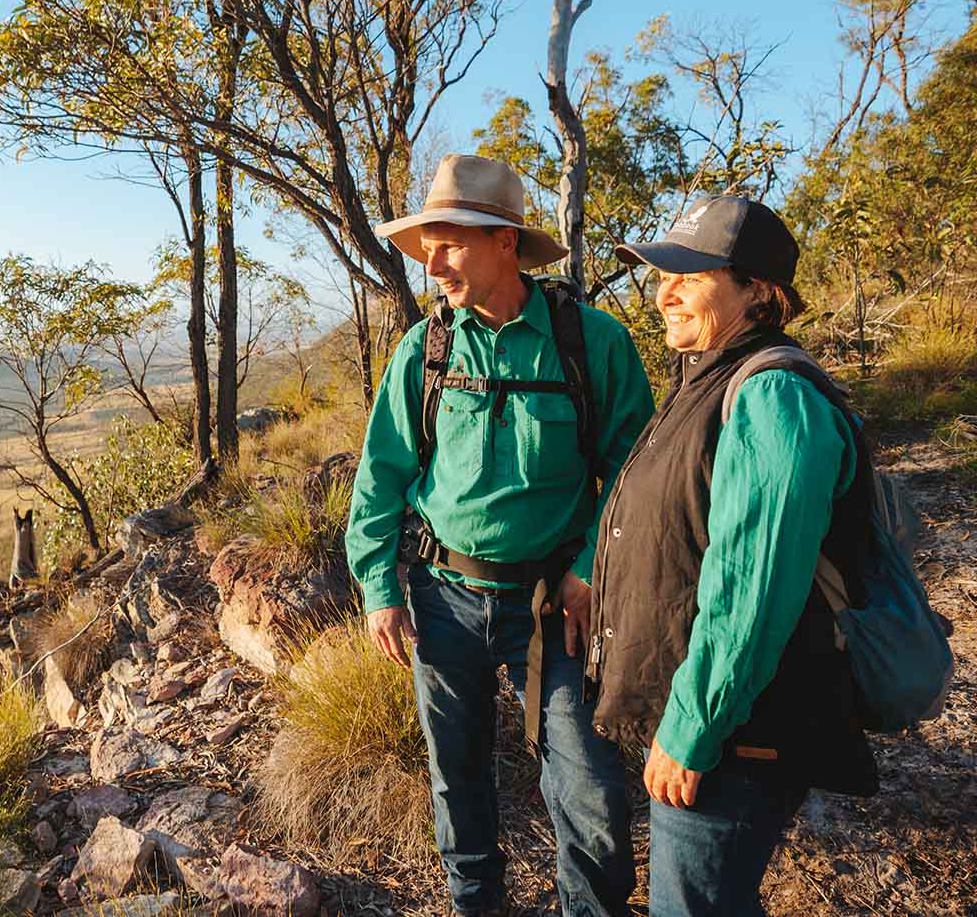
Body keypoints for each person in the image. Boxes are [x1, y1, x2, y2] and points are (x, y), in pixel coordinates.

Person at [347, 154, 655, 917]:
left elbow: (634, 476)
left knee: (586, 786)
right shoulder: (425, 351)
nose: (436, 263)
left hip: (556, 605)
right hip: (442, 600)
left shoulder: (593, 344)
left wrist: (590, 569)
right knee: (457, 776)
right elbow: (381, 476)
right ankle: (474, 905)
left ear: (506, 243)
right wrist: (381, 590)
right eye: (429, 246)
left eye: (451, 243)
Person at [584, 195, 878, 917]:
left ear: (760, 293)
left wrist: (692, 728)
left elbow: (753, 586)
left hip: (738, 737)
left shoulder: (773, 397)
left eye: (690, 273)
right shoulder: (705, 382)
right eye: (660, 274)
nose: (665, 291)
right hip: (713, 723)